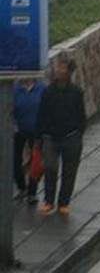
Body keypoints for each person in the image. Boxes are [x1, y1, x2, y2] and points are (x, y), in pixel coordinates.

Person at [36, 57, 87, 217]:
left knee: (69, 171)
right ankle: (48, 201)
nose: (58, 71)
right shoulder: (48, 92)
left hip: (71, 137)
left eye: (62, 68)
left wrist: (78, 133)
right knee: (50, 167)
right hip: (50, 137)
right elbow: (41, 114)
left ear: (70, 72)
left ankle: (64, 203)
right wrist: (40, 136)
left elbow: (81, 115)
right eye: (57, 67)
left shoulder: (76, 92)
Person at [13, 75, 45, 206]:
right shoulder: (14, 89)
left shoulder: (41, 88)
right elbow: (7, 107)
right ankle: (21, 187)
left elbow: (46, 109)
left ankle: (32, 192)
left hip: (36, 131)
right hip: (18, 130)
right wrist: (13, 124)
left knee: (36, 161)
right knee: (15, 159)